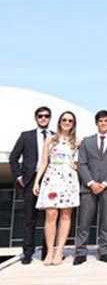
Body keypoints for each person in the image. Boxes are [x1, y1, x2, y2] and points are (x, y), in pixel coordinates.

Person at [71, 110, 107, 265]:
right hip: (89, 187)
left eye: (106, 121)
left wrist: (106, 183)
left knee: (106, 221)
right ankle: (80, 252)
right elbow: (82, 163)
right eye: (100, 121)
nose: (103, 123)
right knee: (84, 221)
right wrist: (91, 183)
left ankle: (105, 251)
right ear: (96, 123)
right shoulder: (87, 141)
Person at [33, 111, 80, 265]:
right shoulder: (50, 140)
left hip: (68, 180)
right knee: (51, 215)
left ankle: (60, 250)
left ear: (73, 124)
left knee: (66, 216)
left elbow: (84, 161)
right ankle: (50, 251)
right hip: (52, 179)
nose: (67, 122)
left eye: (70, 120)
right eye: (64, 120)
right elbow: (44, 162)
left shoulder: (77, 142)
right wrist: (37, 181)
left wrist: (77, 166)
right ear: (59, 122)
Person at [9, 105, 52, 264]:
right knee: (30, 218)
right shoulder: (26, 136)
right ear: (36, 118)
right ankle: (28, 252)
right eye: (40, 116)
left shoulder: (54, 137)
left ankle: (47, 252)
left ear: (50, 118)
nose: (43, 118)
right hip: (30, 180)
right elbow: (13, 158)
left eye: (46, 116)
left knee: (49, 217)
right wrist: (19, 176)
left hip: (50, 179)